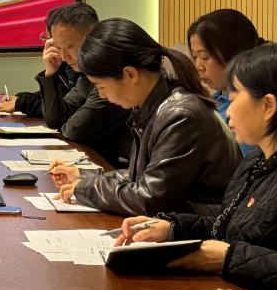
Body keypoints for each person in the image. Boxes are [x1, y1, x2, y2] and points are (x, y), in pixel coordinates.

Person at [114, 43, 277, 290]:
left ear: (268, 106)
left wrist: (227, 258)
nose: (228, 111)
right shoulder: (257, 160)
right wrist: (172, 228)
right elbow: (231, 227)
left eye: (233, 99)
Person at [50, 17, 241, 216]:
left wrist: (85, 188)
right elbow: (143, 177)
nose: (102, 95)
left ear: (130, 74)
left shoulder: (180, 115)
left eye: (101, 86)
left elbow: (149, 199)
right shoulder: (156, 103)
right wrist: (84, 176)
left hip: (202, 227)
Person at [0, 2, 132, 166]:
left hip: (121, 168)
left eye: (69, 47)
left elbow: (73, 130)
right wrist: (50, 73)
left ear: (91, 37)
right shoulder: (87, 74)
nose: (63, 56)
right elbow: (56, 119)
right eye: (58, 47)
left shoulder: (112, 71)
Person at [186, 9, 264, 154]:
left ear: (235, 54)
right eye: (194, 57)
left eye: (205, 57)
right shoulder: (211, 99)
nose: (198, 66)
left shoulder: (249, 109)